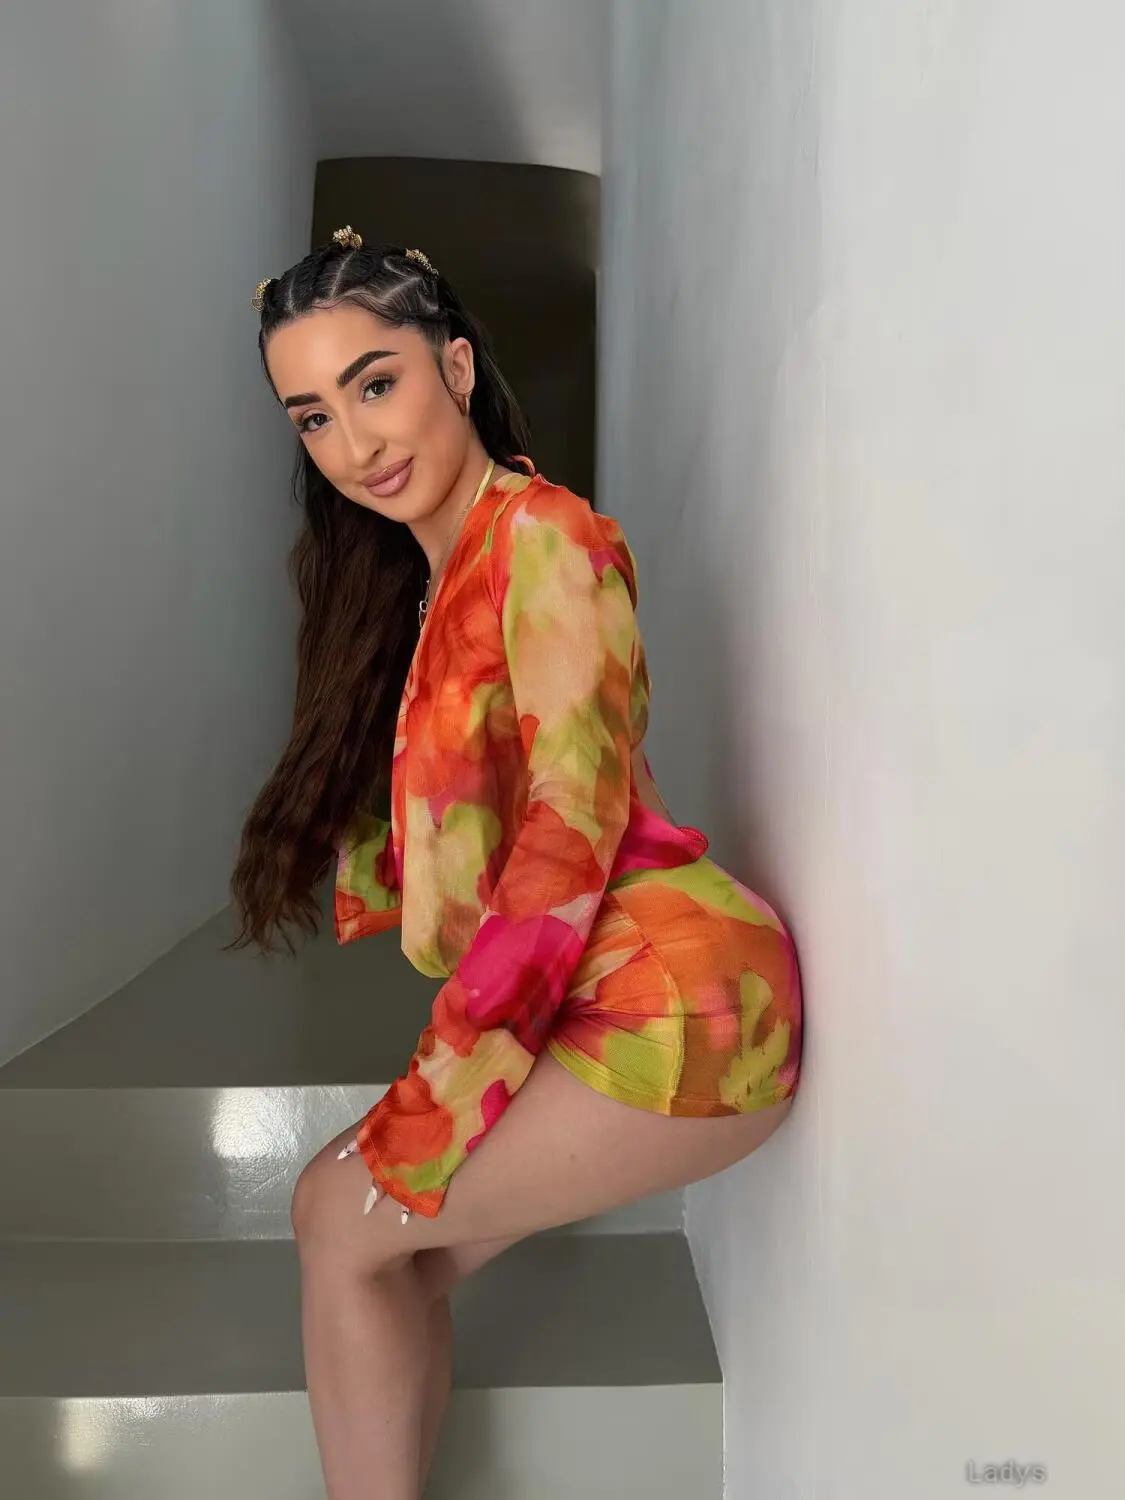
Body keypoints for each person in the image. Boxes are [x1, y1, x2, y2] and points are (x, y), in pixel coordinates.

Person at [233, 226, 803, 1500]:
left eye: (376, 384)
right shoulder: (436, 575)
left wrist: (443, 1089)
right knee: (378, 1258)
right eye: (314, 417)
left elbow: (568, 830)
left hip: (676, 1001)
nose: (355, 443)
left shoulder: (545, 537)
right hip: (597, 986)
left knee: (335, 1217)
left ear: (456, 365)